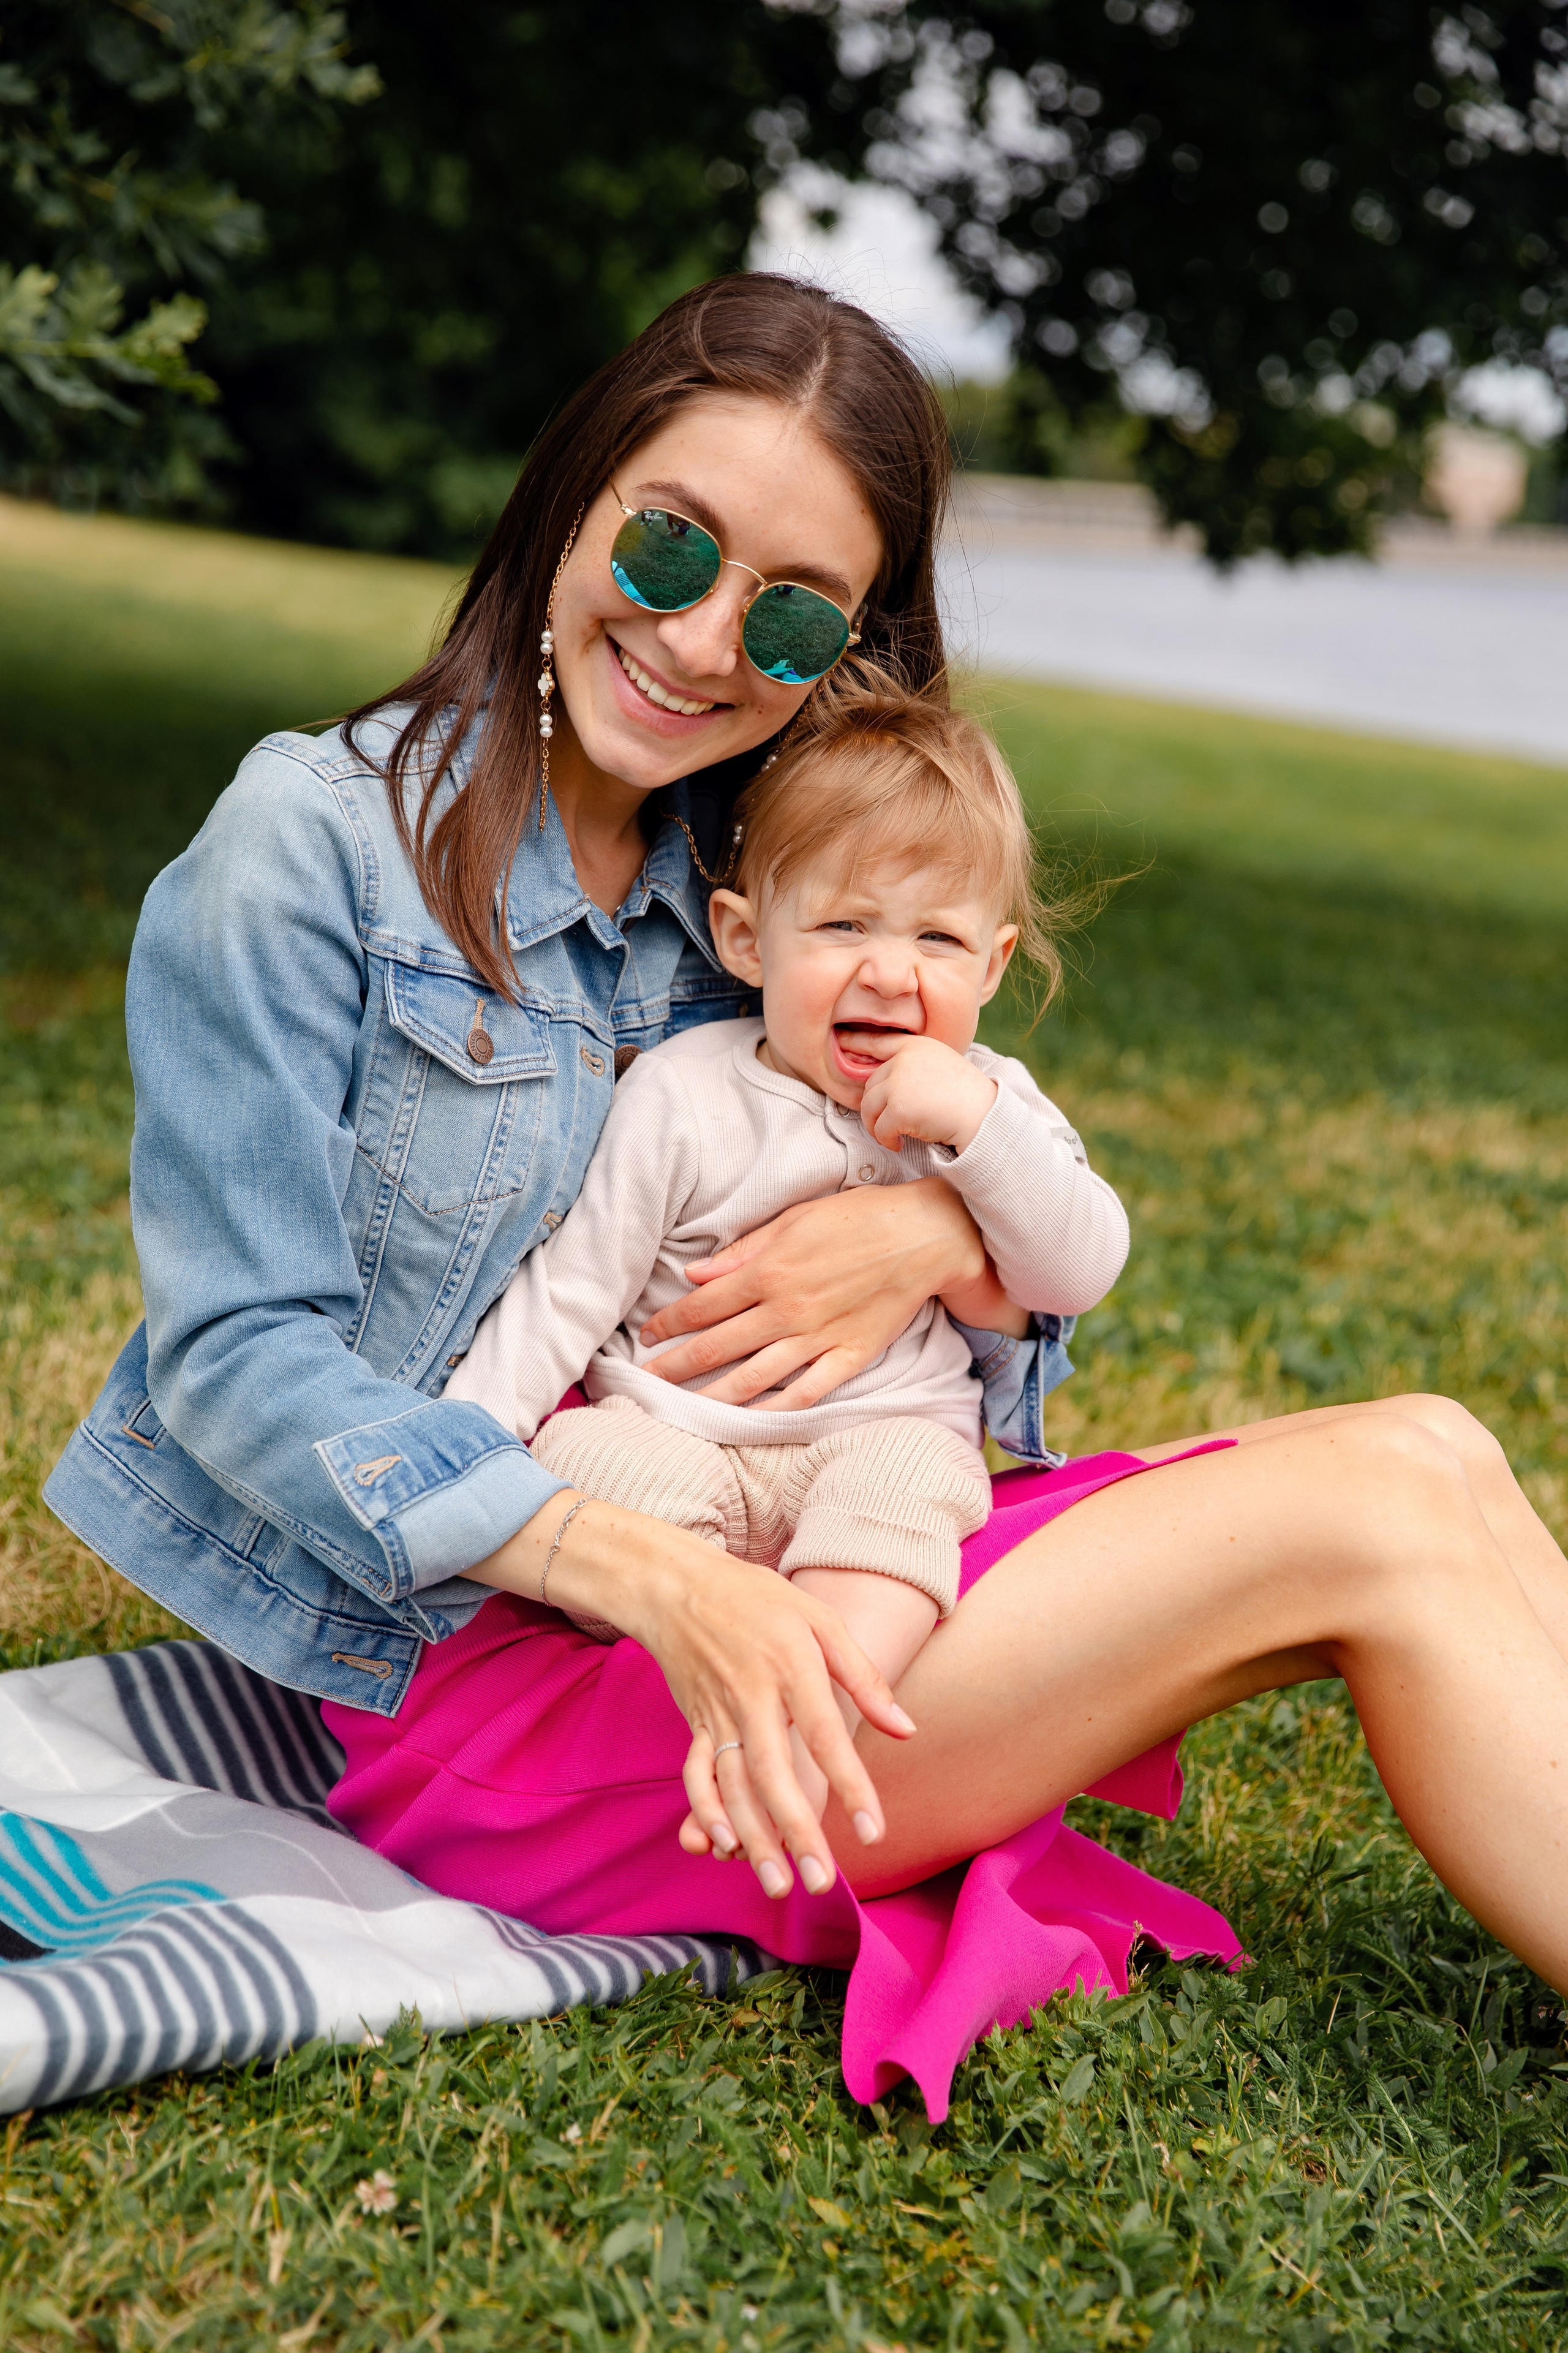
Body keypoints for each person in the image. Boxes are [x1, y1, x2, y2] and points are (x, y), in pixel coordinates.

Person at [45, 276, 1568, 2113]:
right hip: (481, 1685)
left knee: (1437, 1449)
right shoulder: (302, 853)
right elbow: (236, 1363)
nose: (697, 643)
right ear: (579, 495)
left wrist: (935, 1223)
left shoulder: (767, 886)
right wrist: (648, 1573)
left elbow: (981, 1203)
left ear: (846, 642)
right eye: (671, 545)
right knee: (1372, 1515)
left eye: (783, 611)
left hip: (825, 1557)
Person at [446, 674, 1130, 1808]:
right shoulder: (682, 1093)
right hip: (673, 1434)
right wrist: (467, 1449)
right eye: (844, 924)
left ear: (994, 966)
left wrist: (972, 1127)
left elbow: (1079, 1268)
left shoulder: (995, 1104)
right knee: (579, 1463)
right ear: (746, 939)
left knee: (916, 1486)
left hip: (874, 1436)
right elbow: (573, 1288)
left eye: (938, 938)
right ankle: (724, 1680)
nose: (892, 970)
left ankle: (810, 1727)